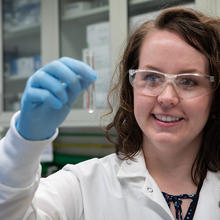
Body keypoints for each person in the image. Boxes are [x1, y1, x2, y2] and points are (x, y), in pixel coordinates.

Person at [0, 6, 219, 220]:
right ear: (131, 87)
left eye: (188, 81)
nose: (167, 97)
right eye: (152, 78)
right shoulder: (84, 186)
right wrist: (24, 142)